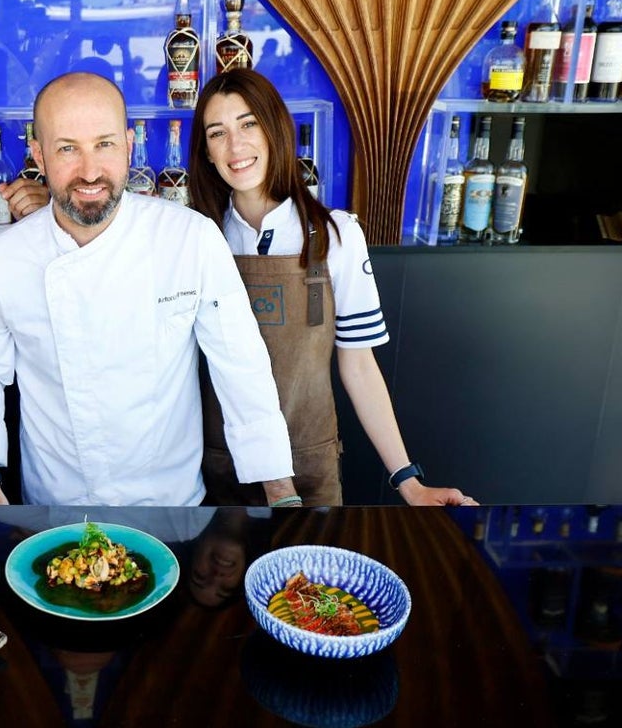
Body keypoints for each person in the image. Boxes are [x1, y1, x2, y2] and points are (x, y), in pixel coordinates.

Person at [0, 71, 300, 507]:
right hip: (56, 509)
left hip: (173, 510)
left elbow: (241, 367)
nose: (90, 170)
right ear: (37, 153)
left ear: (129, 145)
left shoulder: (190, 238)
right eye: (67, 149)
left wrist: (281, 494)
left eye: (105, 144)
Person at [187, 67, 475, 507]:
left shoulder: (335, 235)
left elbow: (358, 366)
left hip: (309, 467)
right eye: (217, 133)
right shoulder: (197, 237)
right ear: (205, 151)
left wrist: (408, 480)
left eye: (248, 124)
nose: (235, 145)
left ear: (275, 131)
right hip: (215, 469)